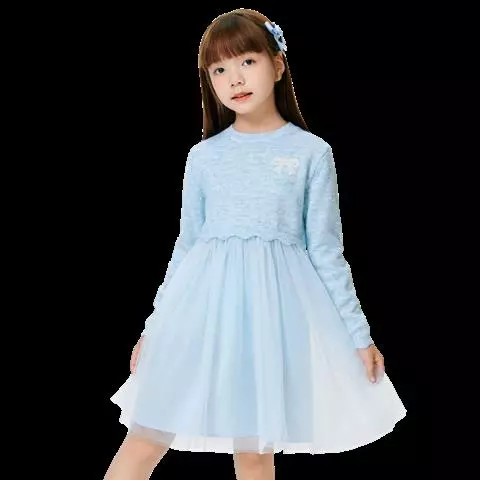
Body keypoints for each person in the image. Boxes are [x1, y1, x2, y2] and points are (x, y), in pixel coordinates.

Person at [104, 8, 407, 480]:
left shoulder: (311, 153)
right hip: (200, 314)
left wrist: (358, 335)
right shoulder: (204, 157)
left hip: (274, 321)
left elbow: (327, 251)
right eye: (219, 70)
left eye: (247, 61)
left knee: (255, 452)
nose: (235, 79)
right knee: (145, 436)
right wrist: (153, 328)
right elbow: (186, 245)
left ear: (278, 64)